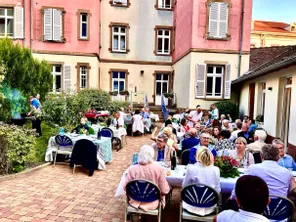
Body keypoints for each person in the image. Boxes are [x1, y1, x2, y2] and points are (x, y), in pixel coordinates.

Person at [124, 145, 171, 211]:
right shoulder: (159, 169)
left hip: (135, 200)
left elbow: (125, 187)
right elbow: (164, 190)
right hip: (152, 201)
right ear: (152, 155)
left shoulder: (132, 169)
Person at [183, 146, 221, 216]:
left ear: (197, 156)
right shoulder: (216, 170)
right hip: (209, 206)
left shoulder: (191, 169)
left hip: (191, 205)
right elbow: (217, 190)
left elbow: (184, 187)